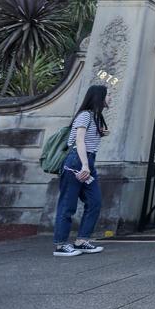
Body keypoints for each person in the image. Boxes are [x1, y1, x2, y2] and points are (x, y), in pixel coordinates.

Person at [52, 85, 110, 256]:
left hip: (88, 161)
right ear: (99, 97)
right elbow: (79, 141)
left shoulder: (96, 117)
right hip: (77, 162)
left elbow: (88, 140)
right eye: (108, 95)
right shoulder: (85, 115)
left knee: (95, 202)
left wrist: (102, 134)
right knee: (68, 204)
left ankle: (82, 240)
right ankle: (61, 244)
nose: (110, 98)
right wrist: (85, 165)